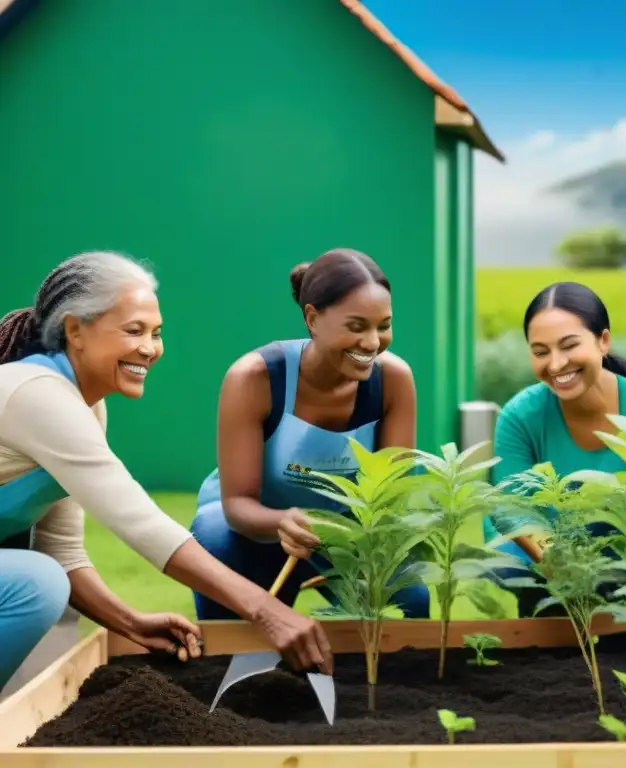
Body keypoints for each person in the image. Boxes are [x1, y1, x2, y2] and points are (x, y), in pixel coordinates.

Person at [0, 251, 333, 689]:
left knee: (41, 576)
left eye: (156, 333)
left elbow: (61, 551)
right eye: (133, 330)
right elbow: (141, 522)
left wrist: (129, 623)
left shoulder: (83, 406)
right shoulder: (38, 396)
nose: (150, 348)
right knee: (34, 583)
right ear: (75, 330)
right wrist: (267, 611)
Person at [189, 248, 429, 620]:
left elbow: (390, 504)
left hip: (346, 537)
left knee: (409, 598)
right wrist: (282, 522)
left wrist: (345, 545)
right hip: (257, 529)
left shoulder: (393, 381)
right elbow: (237, 505)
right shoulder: (256, 378)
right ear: (313, 318)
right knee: (216, 538)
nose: (372, 342)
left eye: (383, 325)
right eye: (356, 326)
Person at [483, 281, 626, 617]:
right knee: (511, 563)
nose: (555, 365)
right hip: (546, 544)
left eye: (569, 346)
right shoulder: (521, 415)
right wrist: (566, 568)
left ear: (603, 341)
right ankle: (543, 615)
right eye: (540, 352)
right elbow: (511, 507)